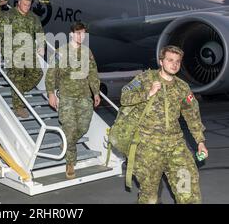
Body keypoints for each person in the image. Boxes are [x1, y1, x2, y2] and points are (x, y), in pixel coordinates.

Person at [120, 45, 208, 204]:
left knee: (188, 192)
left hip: (176, 146)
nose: (174, 64)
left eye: (178, 61)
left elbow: (192, 115)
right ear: (161, 61)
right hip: (148, 147)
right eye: (170, 60)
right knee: (150, 197)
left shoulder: (182, 87)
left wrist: (200, 142)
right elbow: (124, 97)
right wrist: (148, 93)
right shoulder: (145, 79)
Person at [45, 22, 101, 179]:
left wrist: (96, 92)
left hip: (84, 96)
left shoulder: (87, 52)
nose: (81, 36)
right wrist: (51, 93)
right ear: (71, 34)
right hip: (67, 97)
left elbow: (93, 73)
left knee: (83, 127)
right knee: (69, 128)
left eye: (83, 33)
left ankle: (67, 142)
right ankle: (70, 162)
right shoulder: (61, 52)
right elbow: (50, 73)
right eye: (78, 33)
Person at [0, 0, 44, 118]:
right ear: (19, 3)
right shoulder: (9, 15)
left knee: (37, 73)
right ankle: (19, 107)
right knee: (17, 76)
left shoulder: (33, 18)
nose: (26, 7)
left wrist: (41, 45)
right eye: (24, 4)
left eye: (29, 5)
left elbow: (40, 32)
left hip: (29, 51)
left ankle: (18, 90)